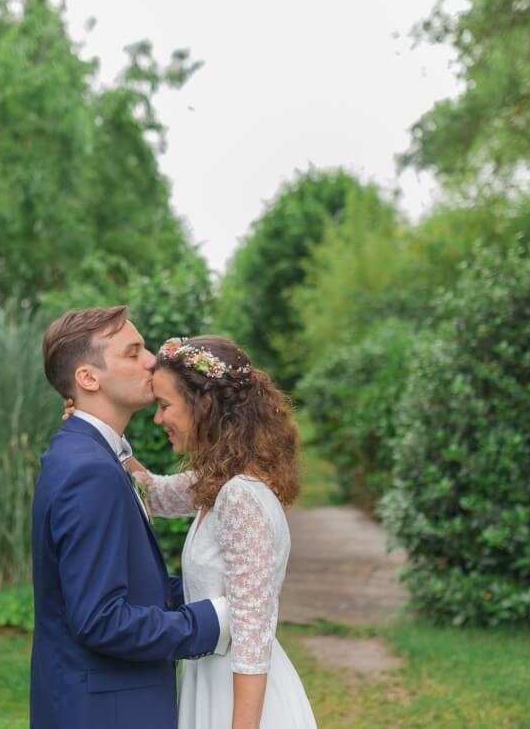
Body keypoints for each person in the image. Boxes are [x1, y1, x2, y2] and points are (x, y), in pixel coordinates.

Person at [30, 307, 230, 729]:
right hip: (106, 712)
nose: (152, 362)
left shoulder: (93, 455)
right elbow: (101, 619)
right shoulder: (90, 469)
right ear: (88, 378)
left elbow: (128, 586)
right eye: (133, 352)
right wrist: (213, 621)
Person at [140, 335, 318, 729]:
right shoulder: (220, 483)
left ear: (204, 405)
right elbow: (153, 493)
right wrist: (101, 432)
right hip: (211, 680)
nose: (158, 419)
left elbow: (252, 635)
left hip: (237, 697)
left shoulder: (239, 496)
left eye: (164, 405)